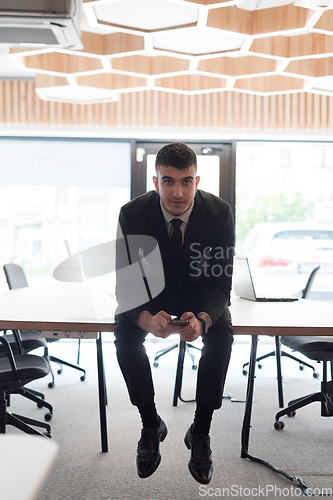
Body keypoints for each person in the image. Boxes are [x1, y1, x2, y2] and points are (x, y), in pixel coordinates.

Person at [114, 142, 234, 485]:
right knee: (124, 336)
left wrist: (205, 318)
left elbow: (221, 283)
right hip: (150, 295)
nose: (177, 192)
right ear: (155, 182)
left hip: (199, 294)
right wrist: (144, 318)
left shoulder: (219, 212)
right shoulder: (132, 213)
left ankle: (201, 432)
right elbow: (126, 281)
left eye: (186, 182)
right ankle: (150, 424)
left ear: (198, 180)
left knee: (223, 336)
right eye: (168, 181)